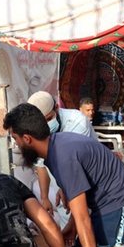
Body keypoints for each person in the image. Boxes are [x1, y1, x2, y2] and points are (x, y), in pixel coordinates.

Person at [4, 103, 124, 247]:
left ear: (27, 139)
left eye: (15, 138)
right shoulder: (54, 146)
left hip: (120, 203)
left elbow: (83, 218)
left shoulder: (63, 159)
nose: (16, 144)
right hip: (101, 206)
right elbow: (79, 198)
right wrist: (72, 225)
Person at [27, 91, 97, 219]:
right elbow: (41, 165)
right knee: (69, 227)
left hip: (85, 187)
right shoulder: (37, 130)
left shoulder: (77, 122)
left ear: (57, 108)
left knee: (87, 222)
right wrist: (45, 197)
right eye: (42, 122)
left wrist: (66, 189)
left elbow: (74, 164)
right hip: (61, 192)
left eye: (49, 119)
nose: (46, 125)